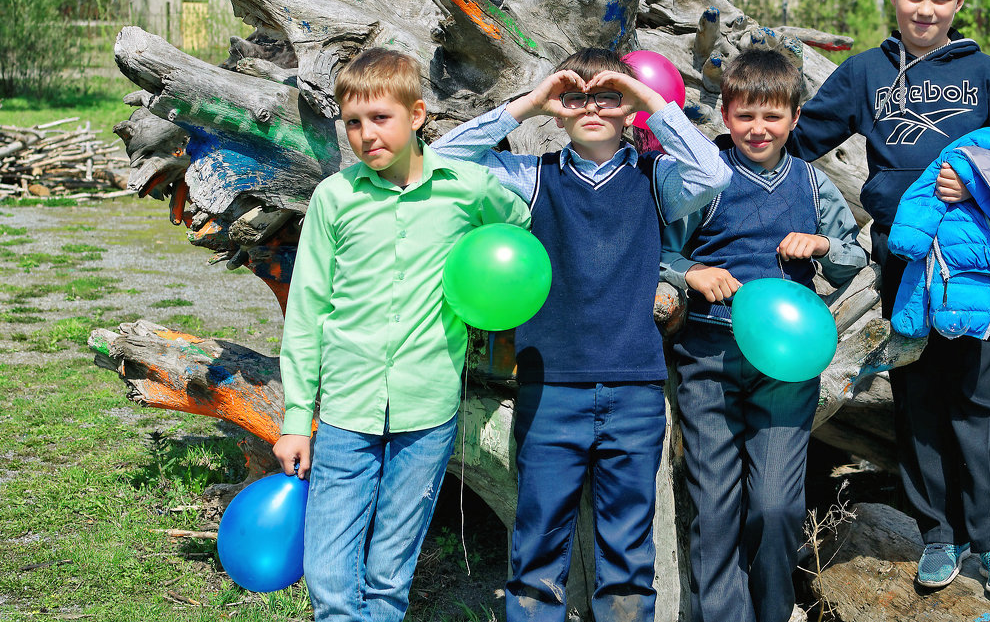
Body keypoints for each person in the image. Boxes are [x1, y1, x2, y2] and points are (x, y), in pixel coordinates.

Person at [432, 47, 730, 622]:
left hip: (636, 391)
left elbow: (713, 172)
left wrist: (649, 101)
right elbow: (441, 159)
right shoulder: (532, 177)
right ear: (559, 109)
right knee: (537, 550)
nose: (592, 106)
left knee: (627, 560)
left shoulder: (656, 178)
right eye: (576, 96)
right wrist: (529, 105)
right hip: (551, 389)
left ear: (628, 110)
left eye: (608, 96)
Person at [788, 0, 990, 595]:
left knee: (983, 399)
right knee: (918, 398)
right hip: (902, 264)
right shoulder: (866, 71)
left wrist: (980, 186)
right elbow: (800, 140)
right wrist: (724, 144)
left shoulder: (986, 76)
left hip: (974, 268)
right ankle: (939, 535)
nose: (925, 9)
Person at [271, 48, 531, 622]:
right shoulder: (333, 199)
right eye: (353, 123)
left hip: (428, 402)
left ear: (417, 115)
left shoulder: (466, 188)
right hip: (346, 404)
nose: (366, 135)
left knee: (391, 571)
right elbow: (308, 311)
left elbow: (519, 230)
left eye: (380, 118)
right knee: (329, 568)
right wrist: (296, 418)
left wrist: (482, 286)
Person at [660, 48, 868, 622]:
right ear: (725, 114)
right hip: (708, 357)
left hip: (786, 369)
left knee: (775, 505)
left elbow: (855, 259)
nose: (758, 128)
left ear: (795, 118)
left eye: (772, 116)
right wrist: (690, 273)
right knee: (715, 507)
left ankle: (772, 611)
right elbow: (659, 250)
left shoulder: (812, 185)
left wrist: (823, 246)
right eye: (745, 115)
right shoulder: (704, 177)